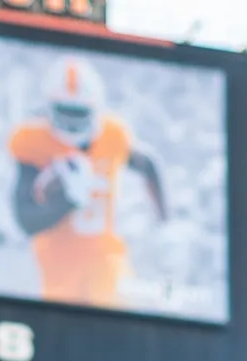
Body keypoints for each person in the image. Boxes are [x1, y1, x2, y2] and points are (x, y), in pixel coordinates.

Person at [10, 54, 165, 308]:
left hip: (105, 255)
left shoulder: (113, 135)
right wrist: (67, 202)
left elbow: (149, 164)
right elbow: (25, 219)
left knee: (114, 311)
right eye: (65, 111)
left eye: (78, 112)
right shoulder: (32, 143)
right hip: (58, 262)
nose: (71, 121)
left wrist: (164, 221)